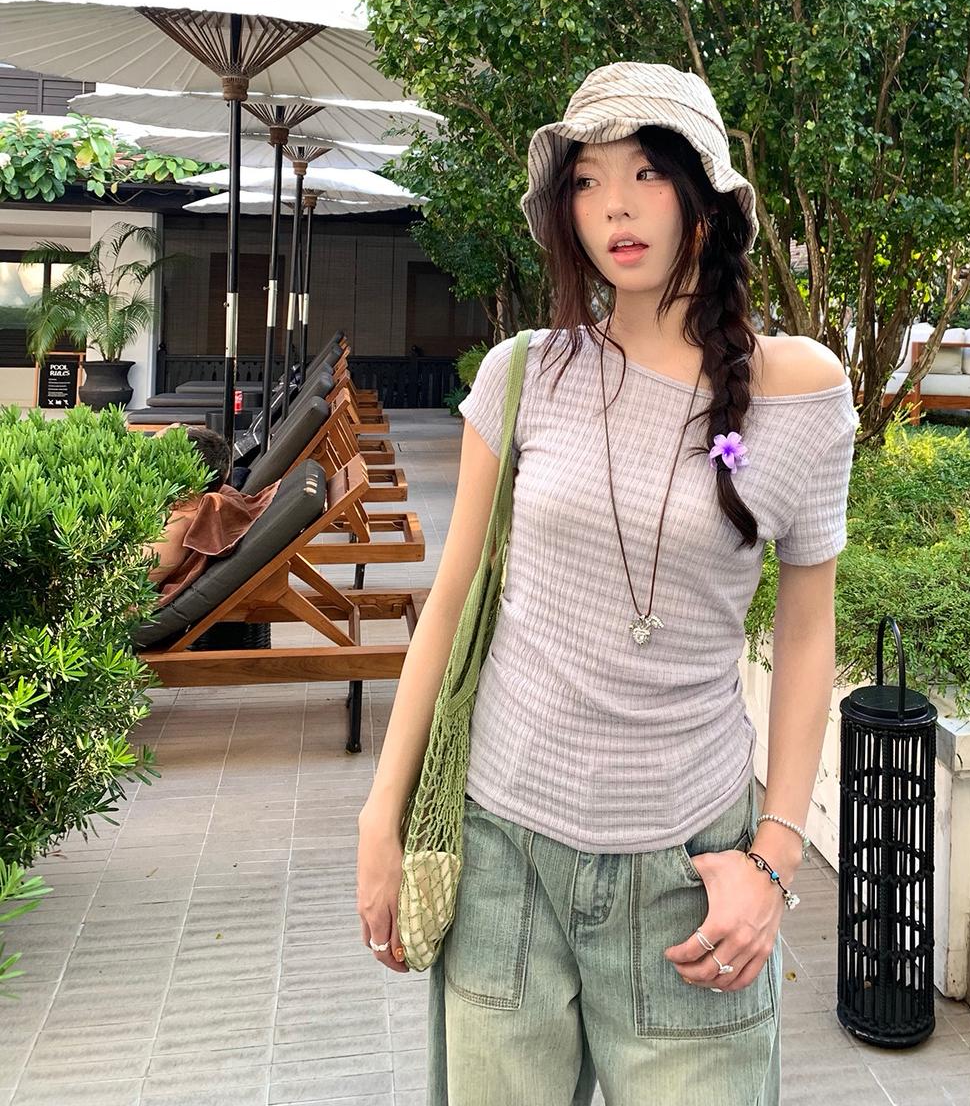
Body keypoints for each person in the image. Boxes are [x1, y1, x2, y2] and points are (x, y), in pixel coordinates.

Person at [356, 62, 858, 1105]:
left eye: (645, 173)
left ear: (705, 200)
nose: (615, 206)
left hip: (689, 880)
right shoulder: (524, 373)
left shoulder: (799, 395)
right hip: (502, 859)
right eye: (587, 181)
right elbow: (450, 605)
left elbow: (808, 633)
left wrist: (776, 854)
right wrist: (380, 813)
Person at [146, 425, 280, 607]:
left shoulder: (176, 529)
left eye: (153, 459)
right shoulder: (207, 497)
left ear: (187, 482)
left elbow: (123, 581)